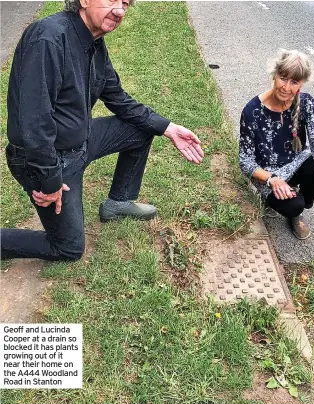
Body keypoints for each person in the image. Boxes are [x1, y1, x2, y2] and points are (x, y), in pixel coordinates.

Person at [1, 0, 204, 261]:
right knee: (68, 248)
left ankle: (118, 203)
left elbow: (117, 97)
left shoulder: (93, 42)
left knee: (141, 129)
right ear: (84, 1)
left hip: (81, 141)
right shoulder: (48, 38)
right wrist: (50, 181)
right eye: (112, 0)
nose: (120, 10)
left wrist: (168, 128)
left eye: (126, 3)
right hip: (49, 157)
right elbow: (34, 123)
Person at [239, 49, 314, 240]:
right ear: (274, 75)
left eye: (294, 82)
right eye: (283, 78)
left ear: (301, 84)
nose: (286, 87)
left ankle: (298, 198)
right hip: (268, 173)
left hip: (296, 162)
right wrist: (272, 180)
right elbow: (245, 161)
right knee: (293, 205)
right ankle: (287, 204)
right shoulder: (252, 111)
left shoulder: (307, 104)